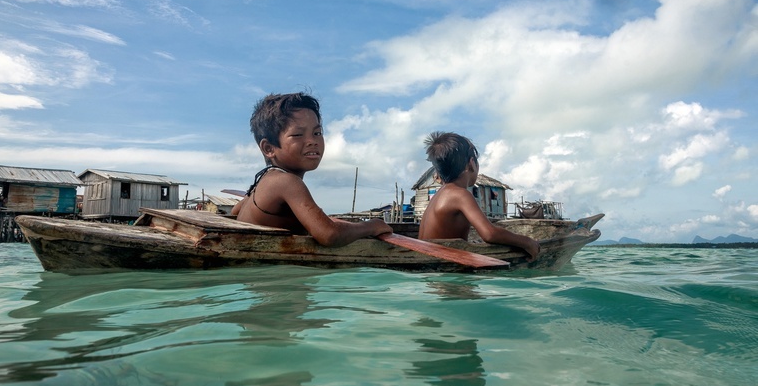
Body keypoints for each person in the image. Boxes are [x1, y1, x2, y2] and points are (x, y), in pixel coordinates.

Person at [232, 92, 393, 246]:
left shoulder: (265, 181)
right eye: (297, 135)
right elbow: (329, 235)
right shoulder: (287, 182)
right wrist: (372, 226)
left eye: (317, 132)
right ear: (269, 148)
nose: (312, 141)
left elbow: (234, 211)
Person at [418, 131, 541, 261]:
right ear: (471, 163)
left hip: (428, 265)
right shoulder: (459, 194)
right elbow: (490, 234)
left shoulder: (440, 195)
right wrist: (527, 242)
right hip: (445, 270)